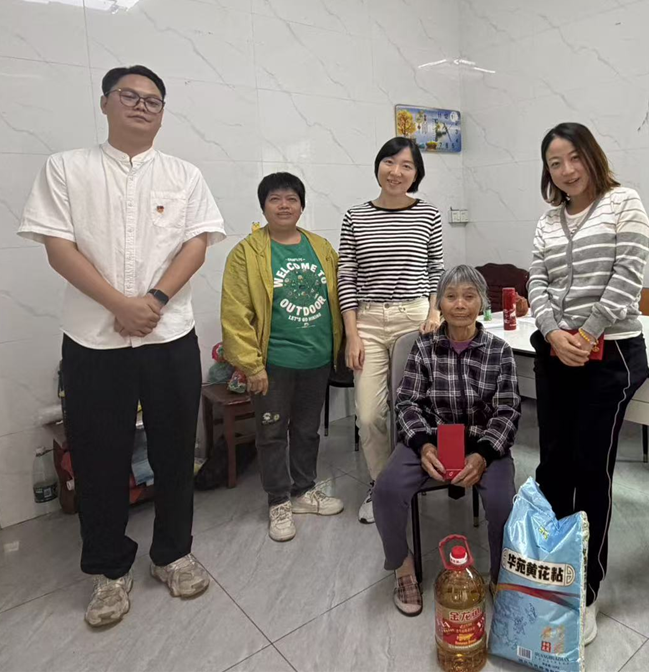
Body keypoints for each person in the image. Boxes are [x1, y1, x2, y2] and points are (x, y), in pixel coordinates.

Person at [19, 65, 226, 628]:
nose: (140, 106)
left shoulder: (184, 174)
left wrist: (153, 300)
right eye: (128, 96)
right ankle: (109, 571)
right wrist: (119, 303)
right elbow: (58, 247)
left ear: (162, 113)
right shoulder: (66, 168)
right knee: (98, 457)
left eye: (152, 100)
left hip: (169, 333)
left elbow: (197, 244)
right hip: (93, 339)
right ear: (105, 103)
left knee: (175, 452)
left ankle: (173, 555)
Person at [528, 122, 649, 645]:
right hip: (556, 351)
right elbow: (537, 280)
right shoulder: (547, 220)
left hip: (610, 353)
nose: (566, 170)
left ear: (592, 155)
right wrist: (554, 333)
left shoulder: (624, 203)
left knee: (590, 469)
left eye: (574, 157)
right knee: (553, 465)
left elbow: (628, 275)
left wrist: (587, 332)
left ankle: (587, 590)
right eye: (555, 163)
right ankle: (553, 570)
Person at [373, 265, 521, 616]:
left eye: (469, 296)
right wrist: (423, 444)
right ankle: (403, 567)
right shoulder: (424, 347)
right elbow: (407, 402)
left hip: (484, 442)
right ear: (439, 303)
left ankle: (500, 576)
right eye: (451, 296)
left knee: (503, 502)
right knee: (386, 490)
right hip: (432, 438)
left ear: (482, 302)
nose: (460, 304)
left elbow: (508, 410)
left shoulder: (499, 350)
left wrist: (483, 454)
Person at [221, 172, 345, 542]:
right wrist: (251, 365)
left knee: (306, 430)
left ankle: (304, 490)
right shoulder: (246, 253)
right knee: (272, 433)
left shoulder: (321, 247)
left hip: (316, 359)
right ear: (264, 206)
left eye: (291, 198)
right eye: (275, 199)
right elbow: (235, 313)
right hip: (272, 364)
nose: (284, 205)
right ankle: (278, 500)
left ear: (302, 205)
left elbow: (343, 292)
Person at [337, 137, 445, 524]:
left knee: (418, 406)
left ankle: (418, 474)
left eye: (406, 166)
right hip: (367, 320)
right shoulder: (355, 216)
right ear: (378, 166)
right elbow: (347, 276)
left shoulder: (428, 215)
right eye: (389, 162)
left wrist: (434, 312)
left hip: (414, 318)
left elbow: (436, 270)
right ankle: (382, 487)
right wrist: (352, 334)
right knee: (369, 414)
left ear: (416, 174)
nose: (396, 172)